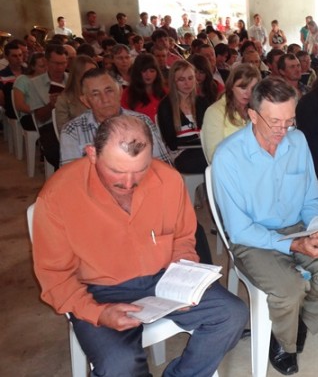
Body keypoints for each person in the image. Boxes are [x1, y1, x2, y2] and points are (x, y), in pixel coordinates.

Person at [34, 114, 247, 376]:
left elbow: (182, 239)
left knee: (231, 315)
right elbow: (56, 279)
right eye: (116, 171)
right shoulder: (58, 196)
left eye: (140, 169)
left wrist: (183, 282)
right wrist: (98, 314)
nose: (128, 183)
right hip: (99, 290)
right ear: (91, 154)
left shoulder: (168, 180)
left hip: (163, 279)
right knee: (119, 366)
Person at [213, 76, 318, 375]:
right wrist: (294, 244)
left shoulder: (297, 140)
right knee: (289, 288)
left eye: (289, 121)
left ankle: (298, 324)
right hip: (253, 238)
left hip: (297, 227)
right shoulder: (228, 156)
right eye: (274, 122)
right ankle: (283, 342)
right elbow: (239, 229)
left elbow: (310, 197)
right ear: (252, 115)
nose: (283, 130)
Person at [59, 68, 171, 166]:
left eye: (109, 91)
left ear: (120, 92)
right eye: (95, 94)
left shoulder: (142, 122)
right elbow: (72, 178)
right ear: (85, 101)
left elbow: (162, 163)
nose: (105, 99)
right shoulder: (72, 131)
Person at [157, 60, 210, 174]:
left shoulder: (202, 102)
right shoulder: (166, 105)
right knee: (214, 161)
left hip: (202, 149)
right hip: (180, 153)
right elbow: (172, 143)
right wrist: (196, 138)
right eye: (182, 79)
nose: (187, 83)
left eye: (191, 78)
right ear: (173, 82)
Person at [201, 63, 261, 162]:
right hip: (230, 170)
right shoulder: (214, 112)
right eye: (243, 87)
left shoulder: (258, 111)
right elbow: (214, 156)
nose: (248, 93)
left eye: (253, 89)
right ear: (231, 86)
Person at [54, 55, 97, 132]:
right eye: (90, 73)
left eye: (95, 72)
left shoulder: (100, 94)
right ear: (78, 74)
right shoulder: (64, 99)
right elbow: (63, 129)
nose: (95, 76)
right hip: (79, 139)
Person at [121, 53, 166, 123]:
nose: (148, 75)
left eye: (152, 71)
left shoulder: (165, 91)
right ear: (137, 72)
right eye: (144, 71)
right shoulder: (127, 94)